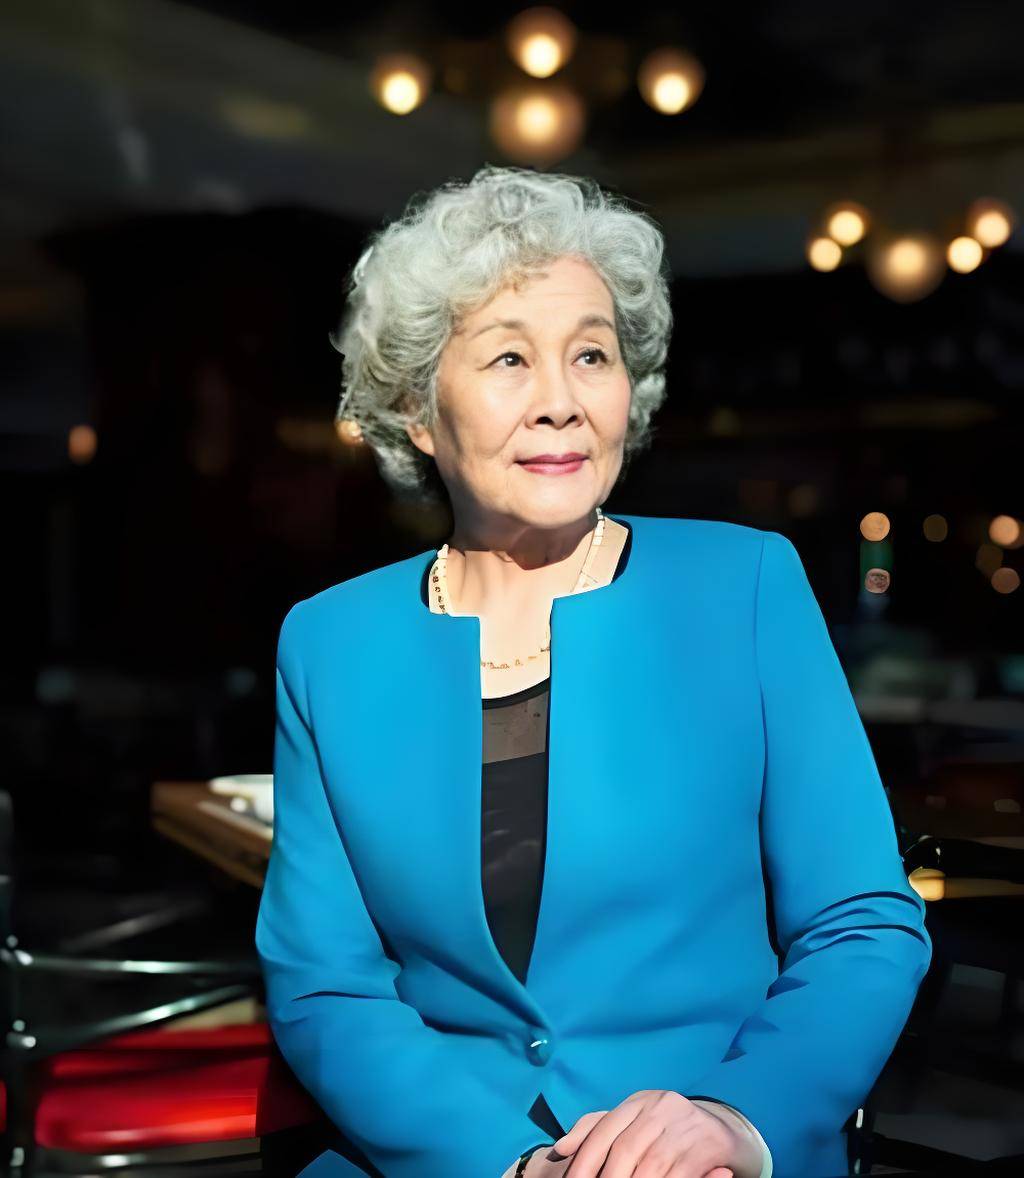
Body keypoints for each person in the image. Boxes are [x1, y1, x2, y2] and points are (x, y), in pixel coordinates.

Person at [255, 165, 932, 1178]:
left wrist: (736, 1119)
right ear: (417, 410)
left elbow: (860, 920)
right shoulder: (329, 641)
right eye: (508, 358)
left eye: (591, 355)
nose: (561, 403)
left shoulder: (744, 585)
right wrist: (508, 1161)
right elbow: (326, 985)